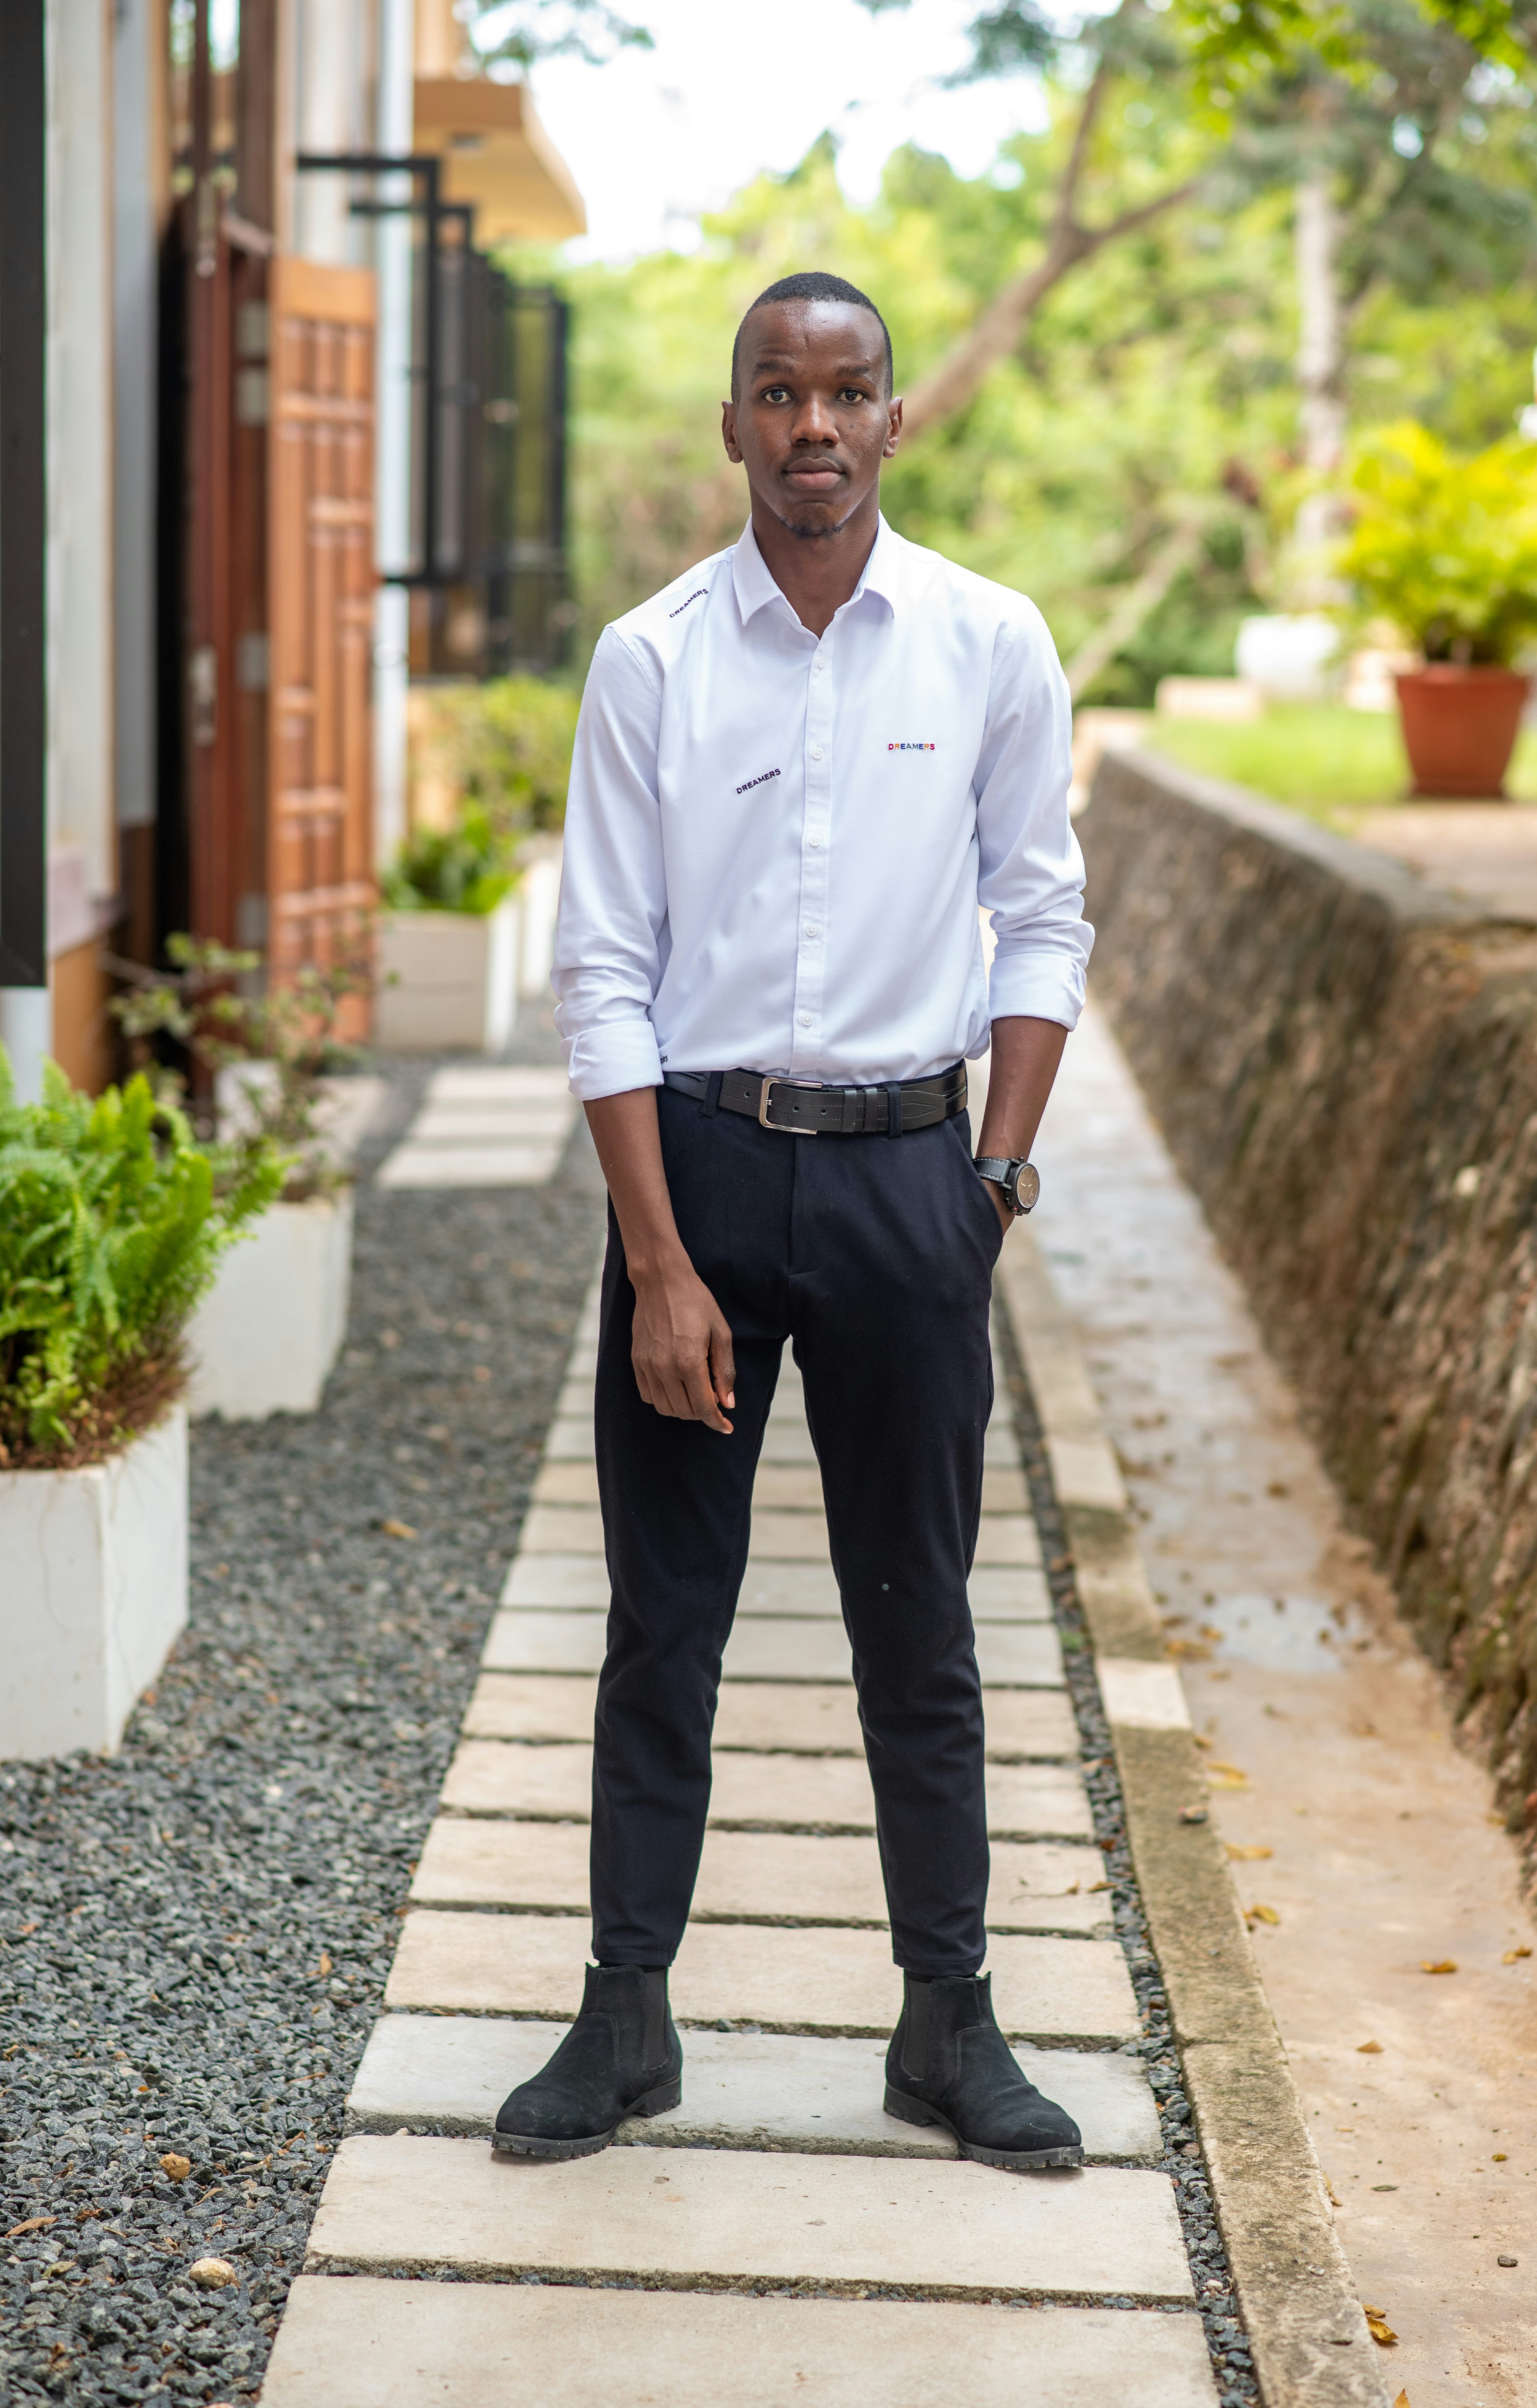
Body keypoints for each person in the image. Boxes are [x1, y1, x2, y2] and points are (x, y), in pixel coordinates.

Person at [494, 270, 1094, 2173]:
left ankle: (948, 2020)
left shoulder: (988, 641)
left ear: (894, 421)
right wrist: (659, 1261)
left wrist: (990, 1180)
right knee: (665, 1618)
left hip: (919, 1183)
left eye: (844, 394)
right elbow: (602, 968)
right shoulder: (651, 659)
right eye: (776, 393)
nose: (812, 427)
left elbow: (1043, 915)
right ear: (733, 424)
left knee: (917, 1625)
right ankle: (624, 2013)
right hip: (704, 1176)